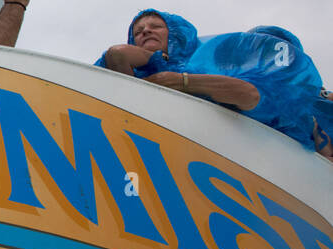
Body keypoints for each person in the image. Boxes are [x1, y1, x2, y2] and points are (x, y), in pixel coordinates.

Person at [101, 10, 328, 151]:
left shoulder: (206, 67)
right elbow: (117, 54)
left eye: (156, 26)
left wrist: (183, 81)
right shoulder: (140, 65)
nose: (146, 31)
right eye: (138, 30)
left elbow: (251, 95)